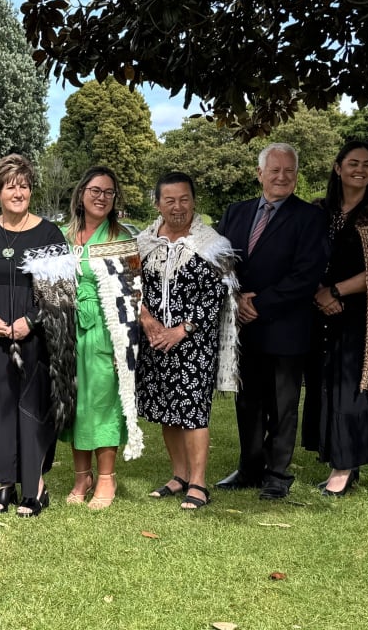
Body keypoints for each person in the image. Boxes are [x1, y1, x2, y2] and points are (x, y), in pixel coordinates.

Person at [0, 155, 76, 518]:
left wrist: (32, 319)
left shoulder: (49, 235)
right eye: (10, 186)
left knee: (32, 413)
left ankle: (35, 487)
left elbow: (63, 294)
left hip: (35, 341)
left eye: (24, 186)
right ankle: (5, 481)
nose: (18, 192)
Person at [216, 143, 328, 500]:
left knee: (282, 403)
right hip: (242, 326)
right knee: (247, 402)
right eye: (275, 170)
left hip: (285, 325)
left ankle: (277, 474)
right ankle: (250, 468)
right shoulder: (236, 212)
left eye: (289, 171)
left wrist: (260, 303)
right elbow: (216, 260)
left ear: (296, 175)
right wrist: (234, 297)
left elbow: (307, 274)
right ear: (260, 173)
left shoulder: (309, 217)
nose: (282, 177)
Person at [303, 141, 368, 495]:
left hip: (364, 317)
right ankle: (339, 458)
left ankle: (344, 469)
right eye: (352, 163)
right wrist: (319, 290)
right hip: (322, 312)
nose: (360, 169)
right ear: (337, 168)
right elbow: (305, 258)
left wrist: (335, 292)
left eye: (367, 164)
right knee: (325, 386)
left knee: (352, 389)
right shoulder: (321, 211)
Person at [136, 172, 239, 510]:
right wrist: (147, 318)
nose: (177, 207)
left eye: (184, 199)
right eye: (170, 200)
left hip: (193, 340)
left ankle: (198, 482)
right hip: (154, 337)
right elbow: (132, 286)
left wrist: (182, 329)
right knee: (168, 407)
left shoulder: (213, 244)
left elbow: (218, 296)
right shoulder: (144, 242)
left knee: (193, 410)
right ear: (158, 203)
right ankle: (178, 475)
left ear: (194, 202)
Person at [61, 165, 143, 510]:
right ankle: (82, 477)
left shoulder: (121, 238)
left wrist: (125, 344)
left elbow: (135, 292)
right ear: (82, 194)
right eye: (95, 190)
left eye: (108, 192)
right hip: (68, 329)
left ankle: (106, 477)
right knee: (76, 404)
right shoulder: (63, 235)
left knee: (103, 402)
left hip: (107, 332)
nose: (101, 197)